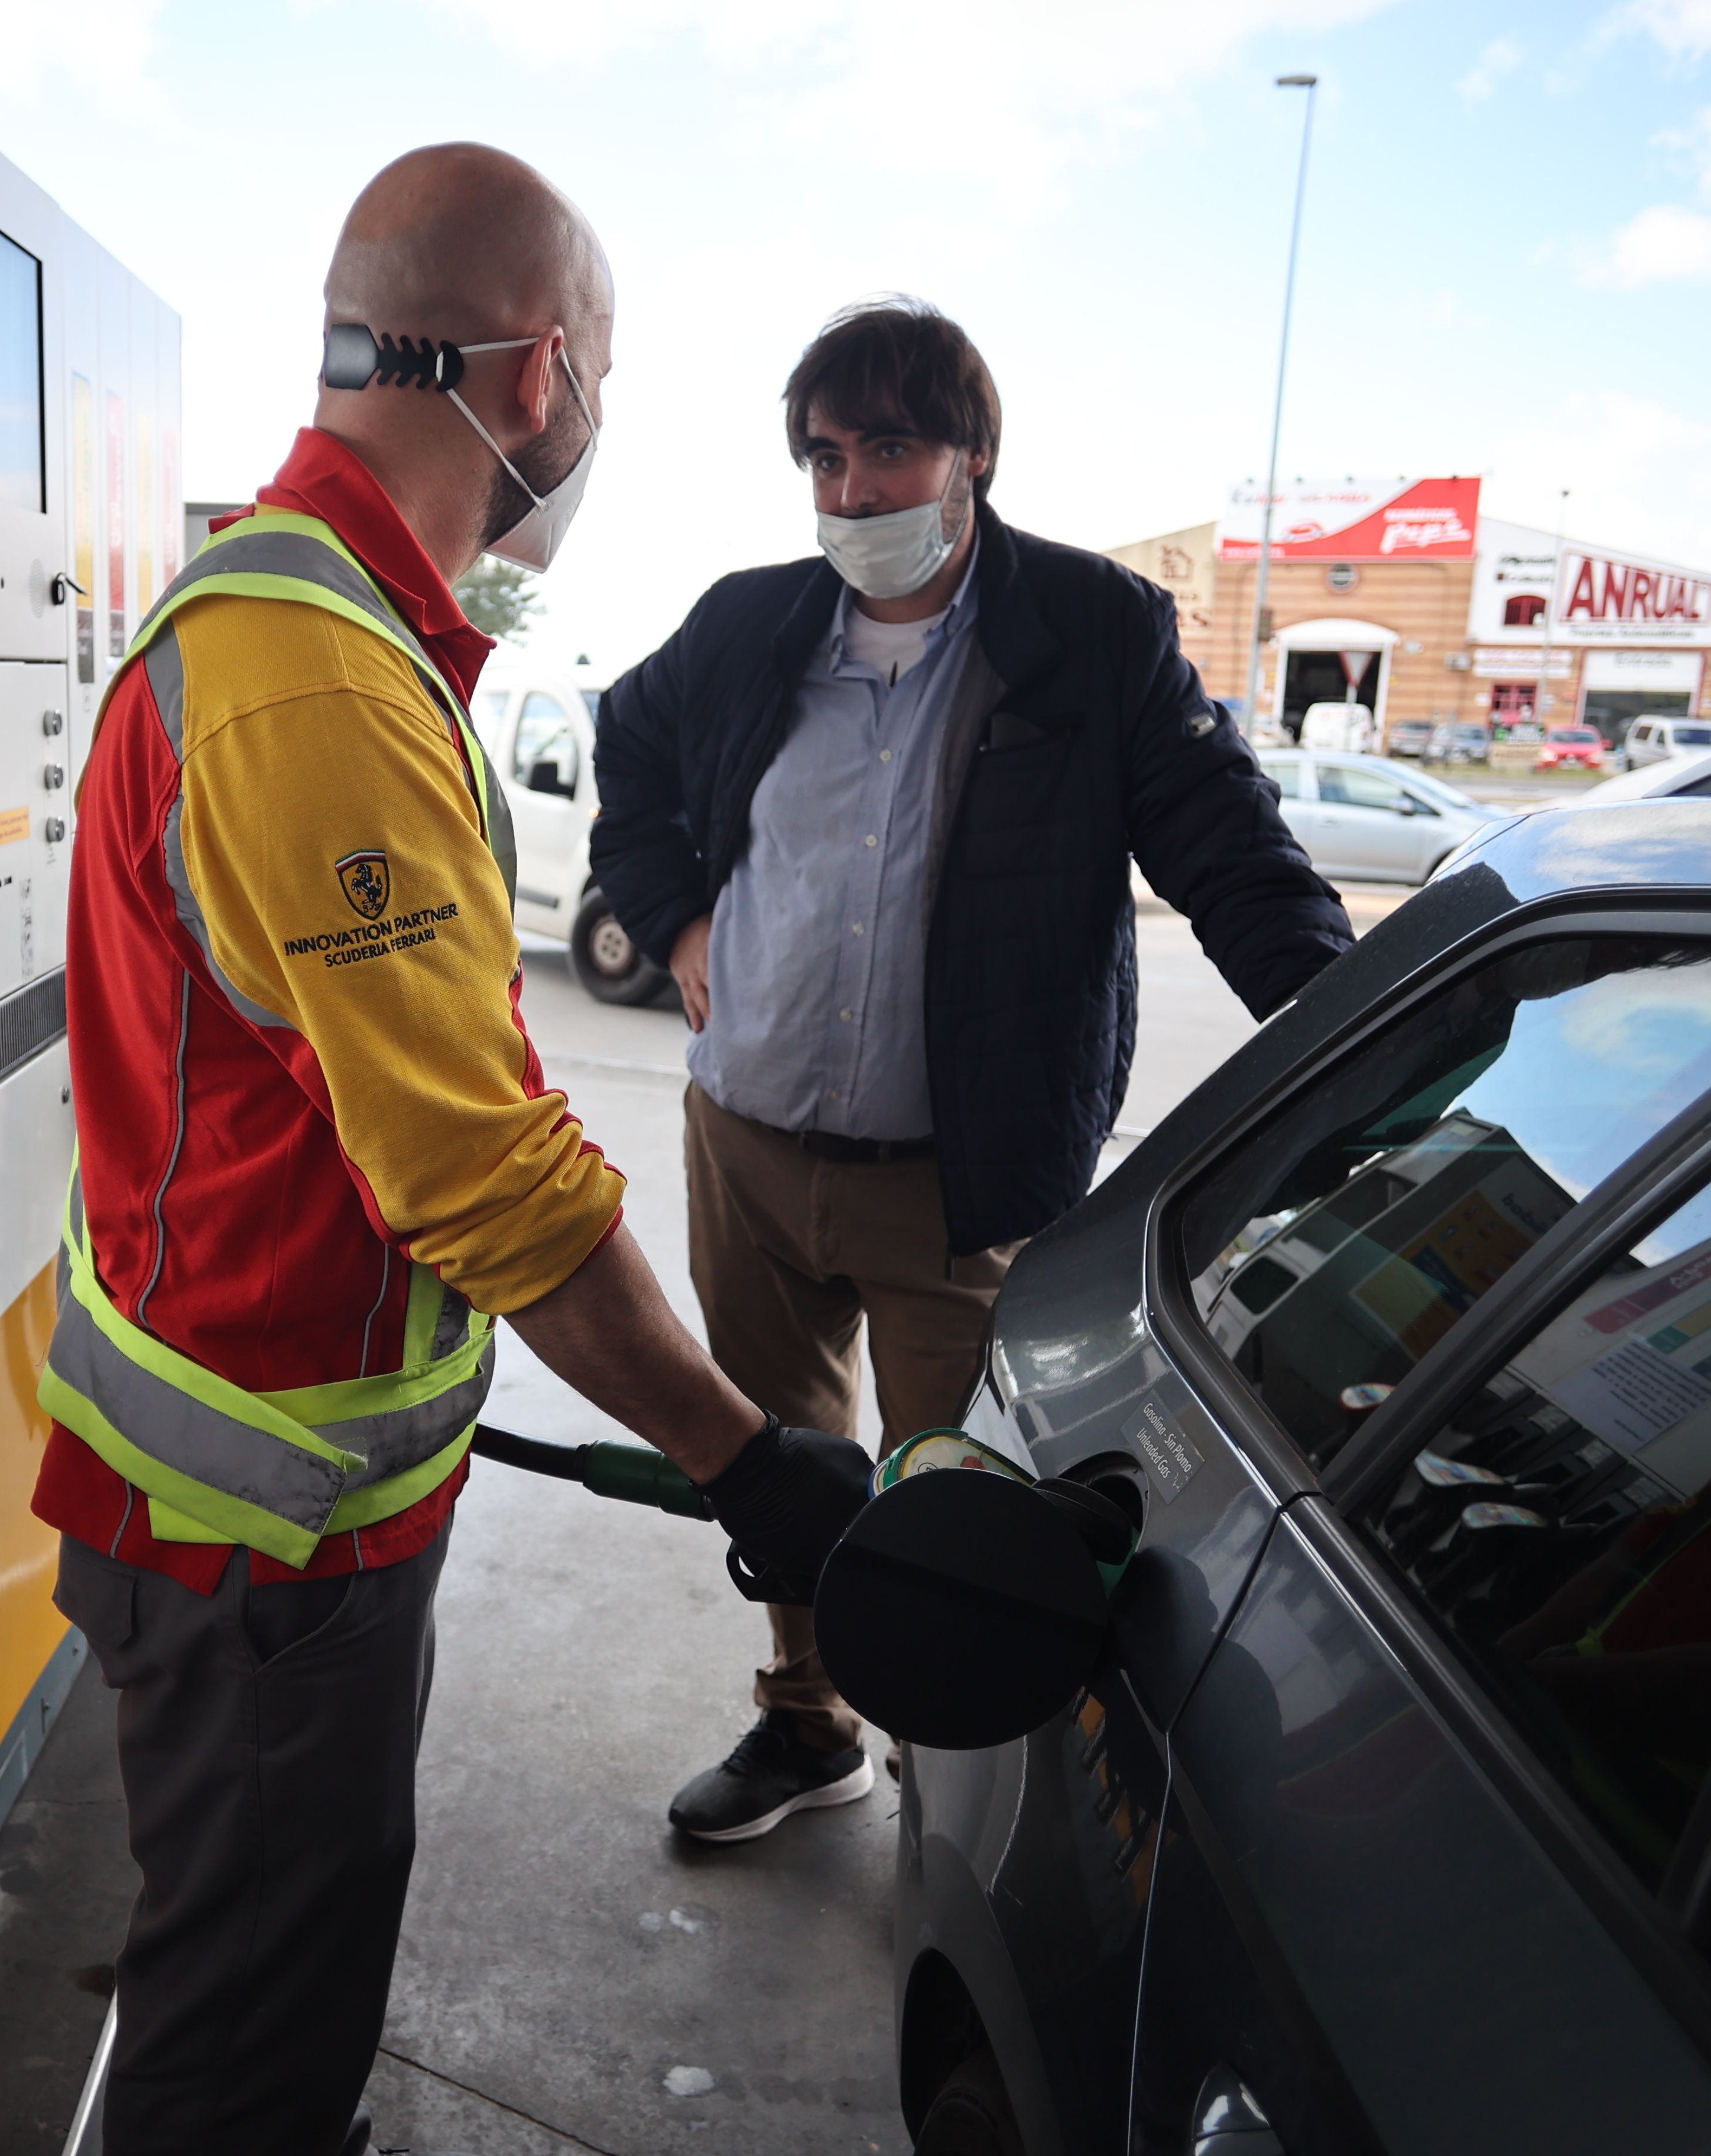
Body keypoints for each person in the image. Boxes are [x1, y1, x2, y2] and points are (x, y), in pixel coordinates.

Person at [34, 147, 874, 2156]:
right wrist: (740, 1452)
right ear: (543, 377)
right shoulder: (312, 675)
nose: (591, 430)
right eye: (604, 388)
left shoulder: (335, 625)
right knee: (240, 2054)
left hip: (280, 1509)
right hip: (262, 1549)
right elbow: (483, 1173)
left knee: (271, 1991)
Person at [590, 298, 1353, 1841]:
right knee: (785, 1469)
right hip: (742, 1143)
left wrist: (1354, 1038)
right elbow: (634, 747)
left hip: (960, 1181)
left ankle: (962, 1817)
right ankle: (809, 1727)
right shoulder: (750, 622)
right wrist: (670, 913)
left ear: (973, 456)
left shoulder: (1091, 635)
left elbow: (1236, 864)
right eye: (824, 457)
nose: (854, 489)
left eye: (889, 448)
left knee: (951, 1512)